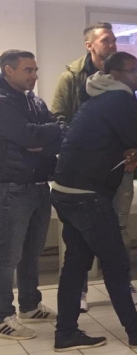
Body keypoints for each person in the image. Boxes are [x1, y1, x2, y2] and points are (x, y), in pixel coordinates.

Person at [51, 52, 137, 352]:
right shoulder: (120, 97)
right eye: (134, 70)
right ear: (116, 74)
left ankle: (65, 333)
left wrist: (129, 148)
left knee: (76, 263)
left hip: (65, 189)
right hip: (88, 194)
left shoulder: (95, 95)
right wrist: (132, 148)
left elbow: (122, 141)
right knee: (116, 263)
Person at [52, 22, 137, 310]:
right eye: (106, 40)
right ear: (89, 45)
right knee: (97, 250)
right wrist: (84, 147)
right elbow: (59, 118)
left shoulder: (116, 88)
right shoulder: (75, 78)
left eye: (114, 40)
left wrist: (129, 150)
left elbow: (130, 131)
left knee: (115, 229)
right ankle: (129, 323)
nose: (112, 44)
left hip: (110, 170)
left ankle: (68, 328)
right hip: (86, 177)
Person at [0, 50, 64, 340]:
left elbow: (60, 134)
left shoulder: (34, 101)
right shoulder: (3, 102)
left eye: (35, 70)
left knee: (32, 252)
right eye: (28, 70)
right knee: (8, 255)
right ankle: (3, 316)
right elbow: (26, 136)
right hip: (12, 187)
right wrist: (41, 138)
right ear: (8, 70)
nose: (34, 76)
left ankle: (29, 305)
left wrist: (41, 140)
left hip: (39, 186)